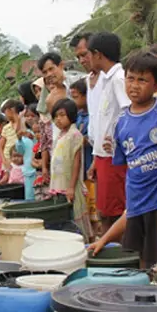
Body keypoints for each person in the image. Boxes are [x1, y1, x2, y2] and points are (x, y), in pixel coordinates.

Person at [89, 52, 157, 269]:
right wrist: (103, 240)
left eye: (142, 80)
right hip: (136, 205)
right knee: (143, 263)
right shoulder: (121, 123)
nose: (134, 85)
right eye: (130, 78)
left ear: (156, 85)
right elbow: (128, 168)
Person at [86, 32, 130, 231]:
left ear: (97, 54)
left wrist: (117, 141)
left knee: (114, 210)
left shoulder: (119, 78)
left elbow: (127, 112)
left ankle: (118, 250)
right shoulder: (104, 80)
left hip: (114, 156)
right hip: (103, 156)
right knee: (104, 208)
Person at [50, 98, 93, 240]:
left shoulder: (74, 135)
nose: (58, 119)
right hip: (58, 184)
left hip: (70, 184)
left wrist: (71, 187)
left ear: (71, 114)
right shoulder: (60, 135)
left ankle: (83, 241)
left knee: (75, 216)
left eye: (62, 115)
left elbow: (76, 163)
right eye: (56, 116)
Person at [70, 78, 98, 233]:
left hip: (90, 164)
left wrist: (78, 139)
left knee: (94, 207)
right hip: (80, 168)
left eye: (76, 97)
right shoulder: (78, 116)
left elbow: (89, 139)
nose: (73, 101)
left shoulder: (93, 116)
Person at [15, 117, 38, 201]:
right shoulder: (24, 137)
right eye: (27, 116)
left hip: (39, 170)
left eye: (32, 115)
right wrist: (19, 139)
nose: (29, 118)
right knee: (30, 198)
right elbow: (20, 151)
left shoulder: (39, 133)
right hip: (28, 171)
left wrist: (34, 138)